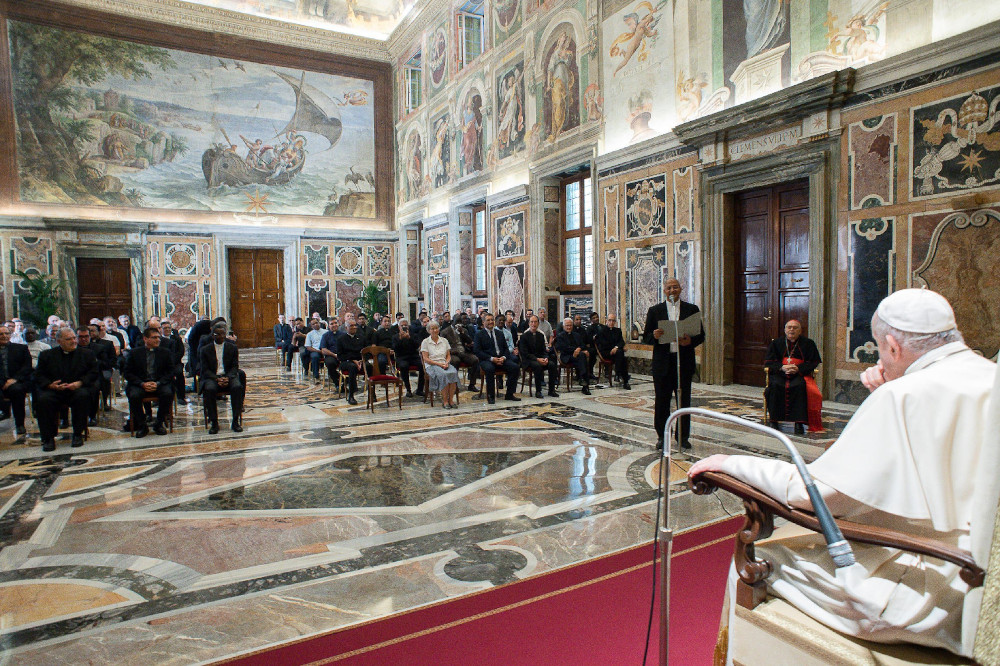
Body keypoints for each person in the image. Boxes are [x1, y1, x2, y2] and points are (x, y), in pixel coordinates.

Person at [689, 288, 998, 660]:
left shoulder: (903, 397)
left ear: (893, 346)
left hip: (934, 587)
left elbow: (817, 495)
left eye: (882, 351)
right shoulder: (988, 376)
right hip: (984, 576)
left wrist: (729, 463)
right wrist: (894, 387)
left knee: (755, 561)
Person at [643, 278, 704, 449]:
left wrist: (689, 341)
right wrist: (653, 336)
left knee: (684, 401)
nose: (672, 290)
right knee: (662, 402)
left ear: (680, 289)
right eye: (669, 288)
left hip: (683, 362)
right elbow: (646, 337)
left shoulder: (691, 310)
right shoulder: (655, 311)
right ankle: (662, 437)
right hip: (663, 363)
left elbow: (701, 335)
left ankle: (683, 437)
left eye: (675, 287)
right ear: (664, 291)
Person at [34, 327, 98, 451]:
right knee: (43, 400)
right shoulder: (47, 355)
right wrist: (50, 385)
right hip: (54, 391)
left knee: (82, 396)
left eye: (74, 338)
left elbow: (94, 373)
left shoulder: (87, 354)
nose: (73, 341)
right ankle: (48, 438)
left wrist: (79, 383)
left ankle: (78, 434)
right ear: (59, 341)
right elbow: (38, 375)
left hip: (76, 390)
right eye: (69, 339)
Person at [765, 319, 823, 434]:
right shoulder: (776, 343)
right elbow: (769, 362)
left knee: (800, 386)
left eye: (795, 327)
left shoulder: (808, 343)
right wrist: (782, 367)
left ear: (800, 331)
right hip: (780, 373)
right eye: (789, 327)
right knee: (775, 386)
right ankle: (774, 420)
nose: (791, 329)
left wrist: (798, 368)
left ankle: (799, 423)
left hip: (799, 374)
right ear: (785, 330)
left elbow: (813, 362)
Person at [124, 326, 175, 438]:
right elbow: (127, 373)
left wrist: (158, 383)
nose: (158, 340)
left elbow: (171, 371)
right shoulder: (134, 353)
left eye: (158, 337)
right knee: (134, 395)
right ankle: (142, 425)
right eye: (154, 337)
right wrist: (142, 384)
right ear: (145, 339)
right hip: (140, 383)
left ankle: (159, 423)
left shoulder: (165, 352)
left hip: (159, 383)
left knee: (167, 393)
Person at [199, 322, 244, 434]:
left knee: (237, 387)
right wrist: (216, 378)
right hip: (212, 377)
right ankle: (214, 422)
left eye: (223, 334)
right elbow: (204, 369)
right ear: (213, 335)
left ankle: (235, 421)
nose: (221, 337)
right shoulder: (205, 349)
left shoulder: (232, 348)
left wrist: (227, 377)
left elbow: (234, 367)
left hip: (228, 376)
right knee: (209, 389)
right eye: (218, 334)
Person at [473, 314, 520, 404]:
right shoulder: (479, 335)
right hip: (487, 360)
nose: (491, 322)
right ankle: (491, 396)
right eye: (488, 320)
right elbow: (477, 351)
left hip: (501, 359)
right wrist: (491, 359)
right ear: (483, 322)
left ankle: (509, 394)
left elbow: (506, 348)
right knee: (490, 369)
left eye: (492, 320)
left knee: (515, 367)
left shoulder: (499, 333)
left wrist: (503, 357)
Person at [0, 324, 31, 436]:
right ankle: (4, 412)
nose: (4, 336)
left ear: (10, 335)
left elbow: (27, 367)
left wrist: (14, 379)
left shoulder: (21, 348)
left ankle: (20, 424)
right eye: (1, 334)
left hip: (16, 381)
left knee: (17, 391)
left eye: (6, 333)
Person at [420, 321, 460, 408]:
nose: (435, 330)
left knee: (453, 373)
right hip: (432, 364)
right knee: (444, 374)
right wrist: (439, 364)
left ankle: (451, 400)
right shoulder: (425, 342)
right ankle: (445, 401)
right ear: (429, 330)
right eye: (432, 329)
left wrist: (446, 363)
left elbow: (448, 355)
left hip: (444, 363)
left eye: (436, 328)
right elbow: (426, 359)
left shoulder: (444, 340)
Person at [518, 315, 559, 398]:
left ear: (538, 323)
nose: (533, 324)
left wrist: (545, 358)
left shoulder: (540, 335)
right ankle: (538, 391)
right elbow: (525, 353)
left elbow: (544, 350)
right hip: (529, 360)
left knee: (551, 364)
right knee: (537, 366)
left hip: (539, 358)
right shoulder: (524, 337)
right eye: (532, 322)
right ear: (529, 323)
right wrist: (537, 359)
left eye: (535, 322)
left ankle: (551, 390)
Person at [440, 312, 480, 392]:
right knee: (455, 361)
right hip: (452, 353)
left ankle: (472, 385)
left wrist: (462, 333)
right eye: (456, 322)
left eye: (460, 322)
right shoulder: (445, 331)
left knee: (475, 360)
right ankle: (454, 385)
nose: (458, 324)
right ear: (452, 322)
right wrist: (452, 351)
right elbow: (442, 347)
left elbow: (470, 342)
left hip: (463, 352)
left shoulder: (464, 330)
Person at [555, 317, 593, 395]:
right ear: (563, 326)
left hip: (577, 356)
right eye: (567, 325)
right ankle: (584, 382)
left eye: (570, 325)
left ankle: (583, 382)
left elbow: (582, 345)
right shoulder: (560, 336)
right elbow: (563, 348)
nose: (569, 327)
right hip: (566, 357)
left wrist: (579, 349)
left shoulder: (576, 335)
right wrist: (575, 350)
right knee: (582, 357)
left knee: (582, 356)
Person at [595, 313, 631, 390]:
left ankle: (621, 377)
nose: (611, 322)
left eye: (613, 321)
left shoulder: (618, 331)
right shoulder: (602, 331)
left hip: (616, 352)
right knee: (621, 356)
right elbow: (603, 344)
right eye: (610, 320)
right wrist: (615, 348)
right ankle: (623, 378)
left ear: (615, 322)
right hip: (606, 352)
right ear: (606, 321)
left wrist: (616, 347)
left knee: (621, 356)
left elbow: (621, 342)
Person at [87, 322, 117, 412]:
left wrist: (99, 363)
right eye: (89, 331)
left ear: (98, 331)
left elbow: (112, 360)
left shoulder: (107, 344)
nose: (90, 333)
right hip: (88, 370)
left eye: (92, 331)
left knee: (104, 378)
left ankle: (104, 401)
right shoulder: (84, 346)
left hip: (104, 368)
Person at [393, 320, 424, 397]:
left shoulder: (413, 335)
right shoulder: (395, 337)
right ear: (399, 327)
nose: (404, 327)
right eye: (402, 326)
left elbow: (417, 345)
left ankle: (420, 389)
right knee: (404, 366)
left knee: (423, 366)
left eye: (405, 325)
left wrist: (409, 338)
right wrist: (400, 339)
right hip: (402, 357)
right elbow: (395, 349)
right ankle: (408, 389)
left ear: (408, 326)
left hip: (413, 356)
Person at [337, 322, 365, 405]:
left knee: (369, 366)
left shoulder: (361, 338)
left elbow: (365, 351)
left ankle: (372, 394)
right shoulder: (341, 339)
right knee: (352, 367)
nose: (354, 327)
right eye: (351, 326)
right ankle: (351, 396)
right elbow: (340, 356)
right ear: (346, 328)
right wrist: (353, 360)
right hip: (346, 362)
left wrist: (362, 360)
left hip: (360, 361)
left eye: (355, 325)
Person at [160, 319, 186, 405]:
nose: (167, 330)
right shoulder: (158, 340)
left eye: (169, 328)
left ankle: (181, 397)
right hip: (162, 364)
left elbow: (180, 352)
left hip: (175, 363)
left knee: (179, 373)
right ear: (161, 329)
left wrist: (172, 361)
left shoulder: (176, 339)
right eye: (165, 328)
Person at [320, 316, 344, 385]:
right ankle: (337, 383)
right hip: (331, 355)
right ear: (328, 326)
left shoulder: (343, 335)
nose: (334, 325)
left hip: (342, 355)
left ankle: (349, 382)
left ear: (338, 324)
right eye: (332, 324)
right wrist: (335, 355)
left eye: (335, 323)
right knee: (330, 363)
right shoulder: (325, 336)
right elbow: (323, 349)